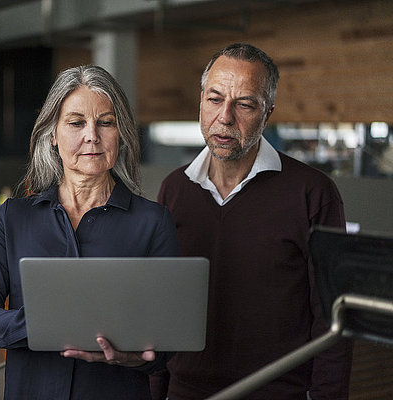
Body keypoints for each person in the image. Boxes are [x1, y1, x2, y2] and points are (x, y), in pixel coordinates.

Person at [0, 64, 179, 400]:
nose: (91, 135)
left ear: (119, 132)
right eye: (76, 122)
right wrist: (49, 322)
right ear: (53, 134)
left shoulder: (152, 222)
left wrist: (133, 357)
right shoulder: (13, 219)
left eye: (105, 122)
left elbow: (166, 343)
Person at [150, 43, 353, 399]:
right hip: (186, 392)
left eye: (244, 104)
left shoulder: (314, 193)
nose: (225, 117)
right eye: (214, 99)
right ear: (200, 101)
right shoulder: (174, 190)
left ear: (267, 112)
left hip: (278, 393)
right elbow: (161, 306)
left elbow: (334, 319)